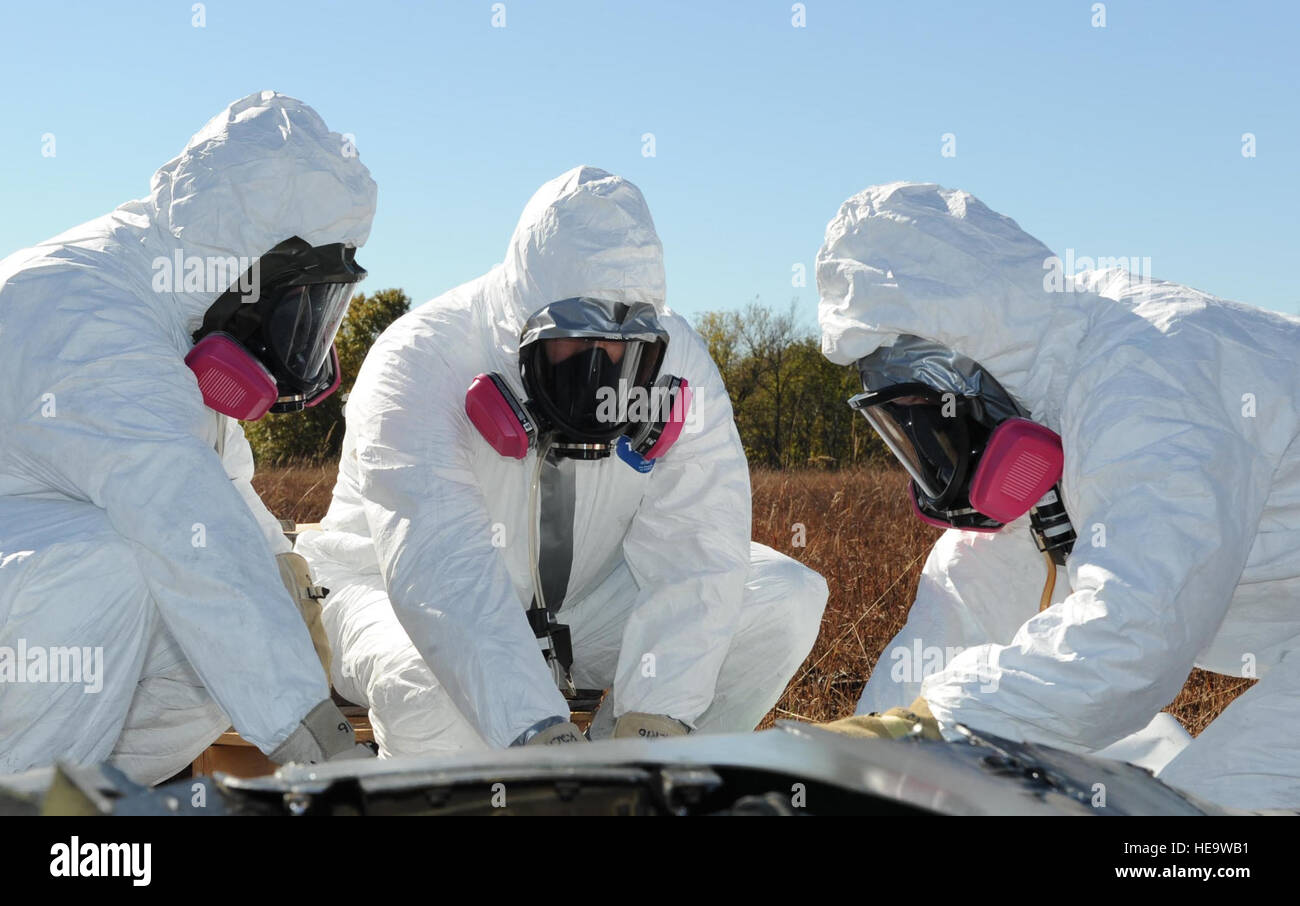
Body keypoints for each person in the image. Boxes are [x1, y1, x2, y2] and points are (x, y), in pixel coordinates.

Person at [295, 166, 828, 755]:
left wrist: (656, 719)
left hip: (581, 607)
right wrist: (537, 735)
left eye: (620, 344)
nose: (601, 366)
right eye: (578, 337)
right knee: (432, 688)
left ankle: (623, 778)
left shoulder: (676, 362)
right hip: (390, 595)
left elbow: (699, 550)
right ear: (525, 318)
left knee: (783, 599)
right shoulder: (421, 358)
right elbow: (441, 568)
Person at [816, 181, 1300, 810]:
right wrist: (858, 764)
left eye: (931, 421)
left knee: (1205, 829)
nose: (930, 456)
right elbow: (965, 603)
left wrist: (917, 736)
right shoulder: (1039, 383)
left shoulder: (1149, 385)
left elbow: (1132, 634)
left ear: (971, 370)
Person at [0, 91, 378, 784]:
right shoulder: (86, 307)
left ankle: (90, 792)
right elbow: (181, 512)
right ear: (247, 266)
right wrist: (324, 745)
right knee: (116, 565)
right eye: (302, 310)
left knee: (226, 629)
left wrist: (293, 590)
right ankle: (26, 803)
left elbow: (222, 490)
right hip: (37, 583)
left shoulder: (179, 314)